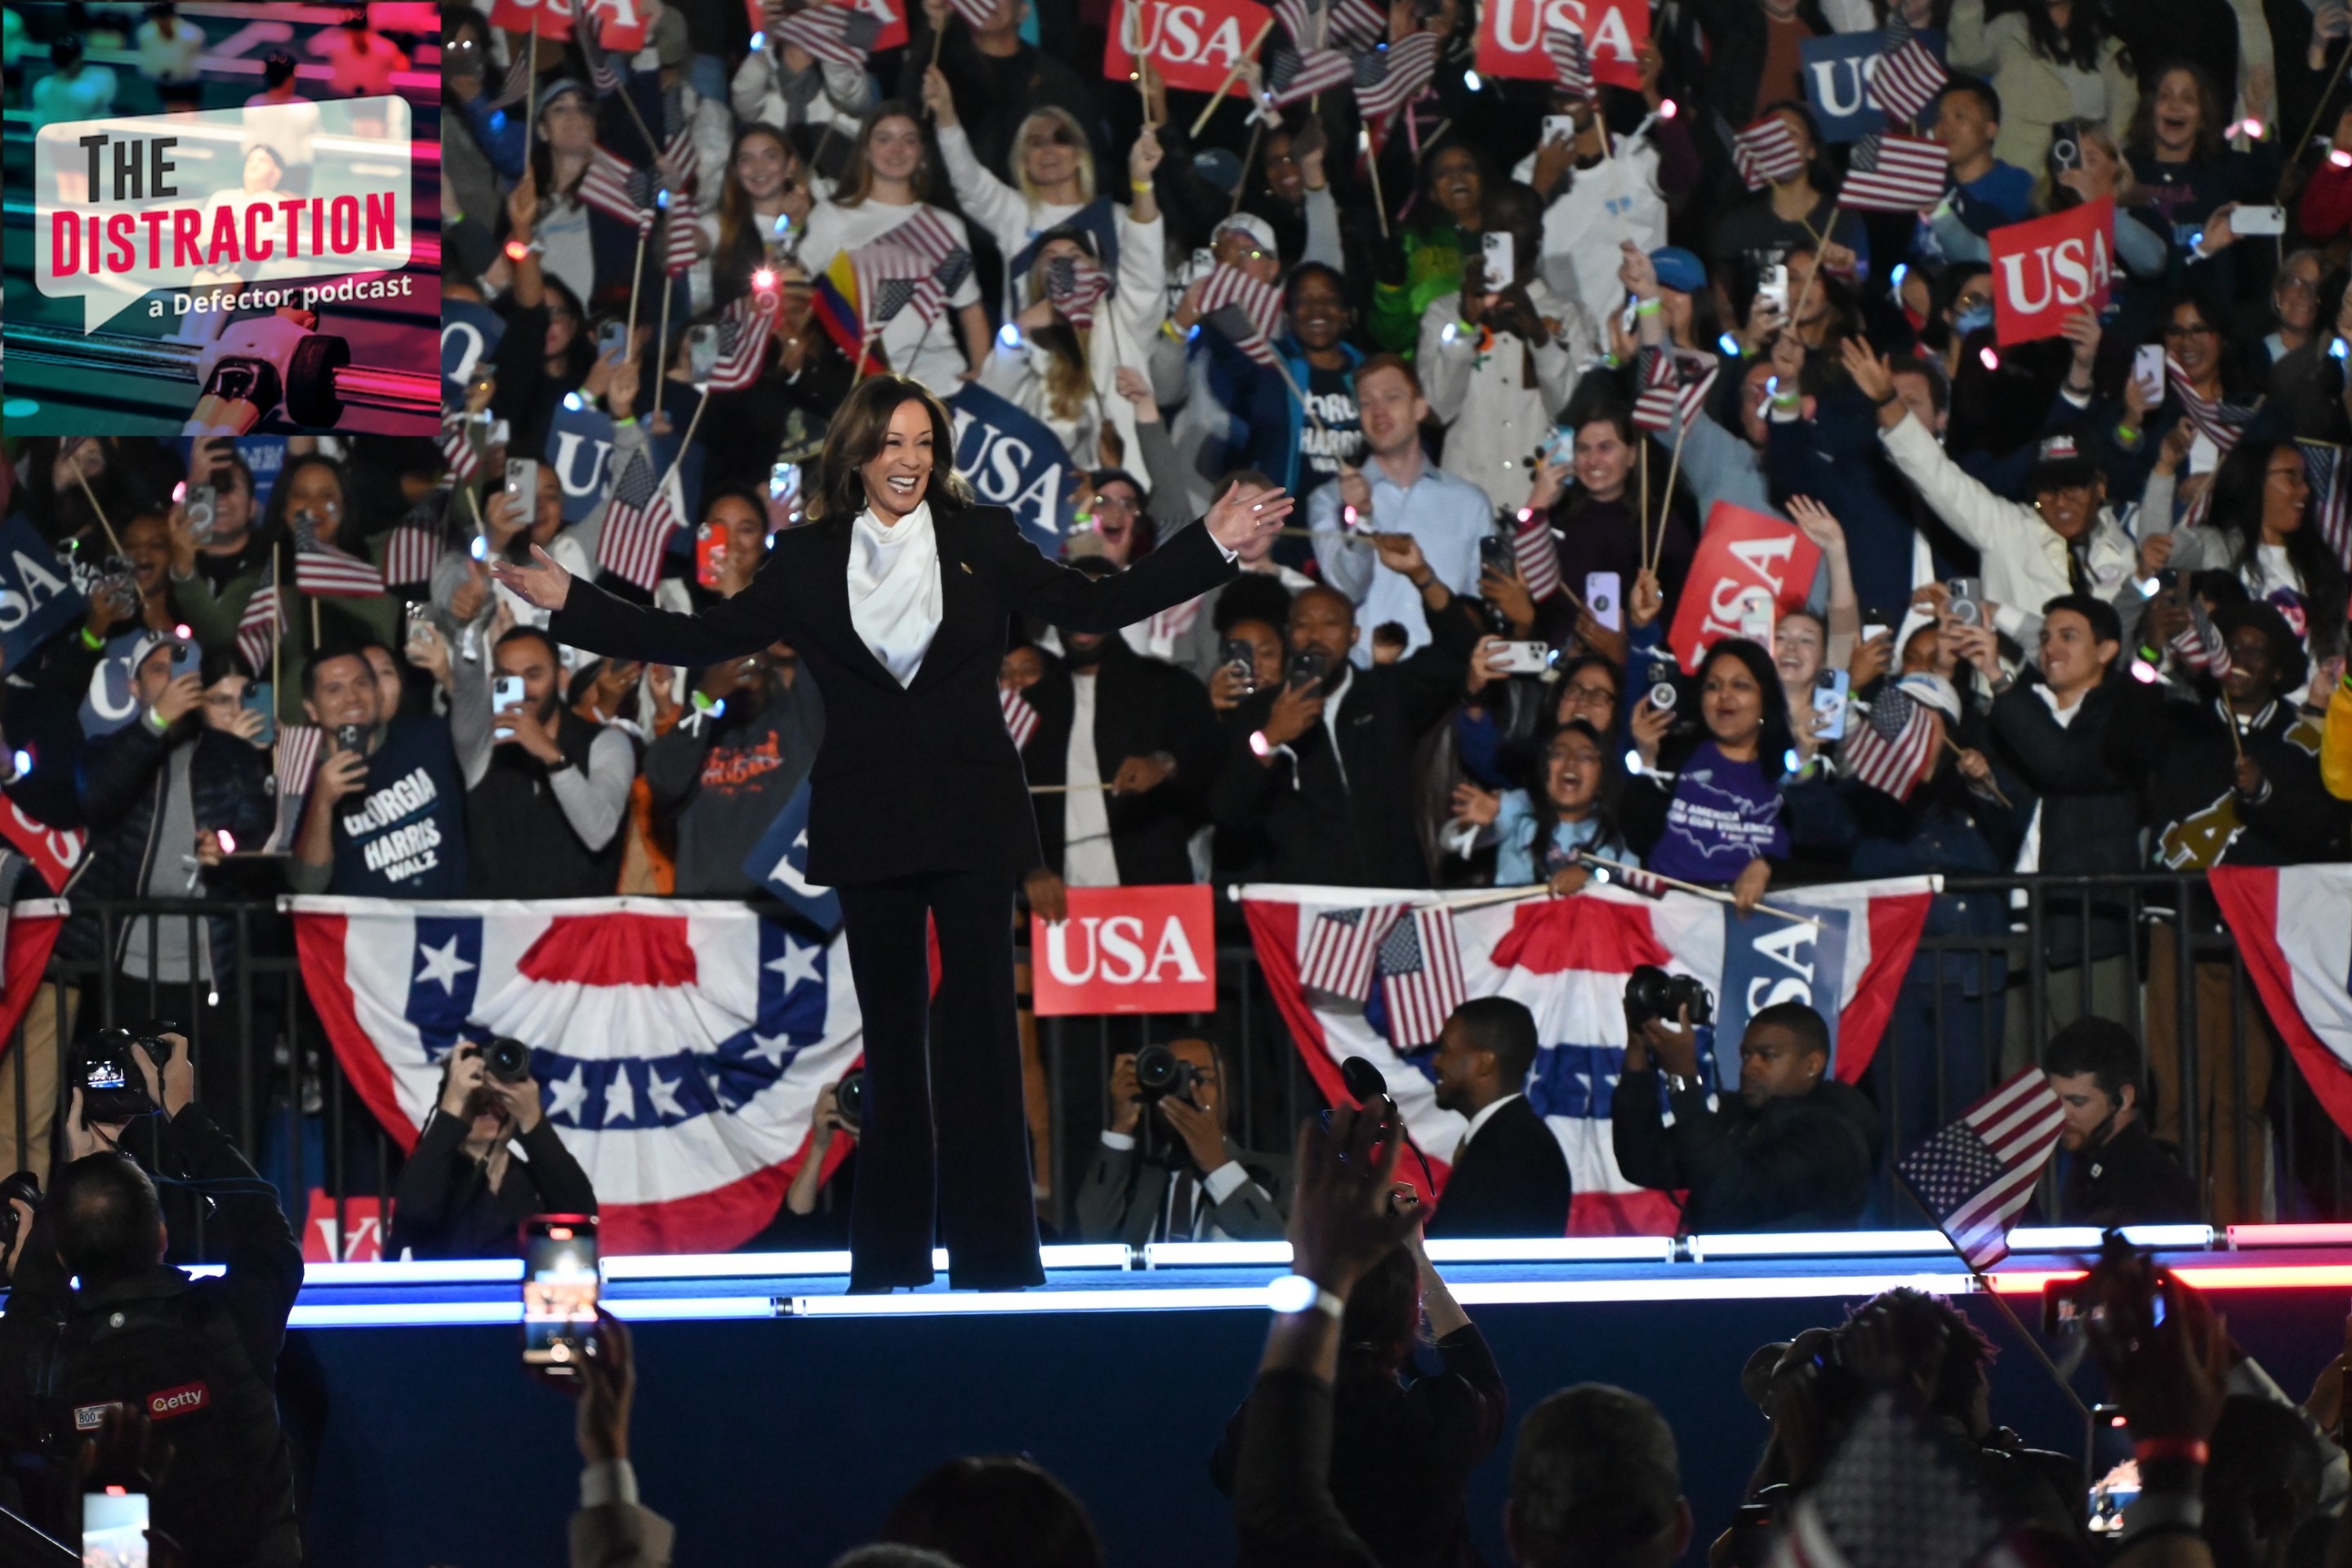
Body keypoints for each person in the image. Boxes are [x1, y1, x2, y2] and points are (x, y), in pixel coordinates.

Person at [492, 374, 1289, 1292]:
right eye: (893, 443)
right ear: (859, 452)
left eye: (923, 444)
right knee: (894, 1046)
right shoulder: (803, 557)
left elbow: (1097, 605)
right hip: (868, 822)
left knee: (983, 1037)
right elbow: (698, 638)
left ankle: (998, 1262)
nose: (909, 460)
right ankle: (890, 1263)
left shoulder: (983, 539)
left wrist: (1213, 544)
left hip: (973, 819)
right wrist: (569, 600)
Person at [18, 1056, 302, 1568]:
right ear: (163, 1236)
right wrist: (183, 1113)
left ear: (61, 1254)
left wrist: (75, 1180)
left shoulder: (43, 1362)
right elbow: (265, 1227)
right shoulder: (229, 1319)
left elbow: (30, 1308)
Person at [1210, 1207, 1505, 1568]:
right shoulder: (1442, 1416)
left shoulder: (1276, 1424)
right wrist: (1419, 1263)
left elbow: (1225, 1472)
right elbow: (1484, 1380)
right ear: (1413, 1319)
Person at [1209, 575, 1481, 888]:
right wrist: (1270, 739)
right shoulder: (1257, 714)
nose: (1315, 635)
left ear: (1353, 635)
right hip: (1312, 910)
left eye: (1330, 623)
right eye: (1302, 624)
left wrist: (1422, 575)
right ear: (1289, 636)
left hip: (1396, 899)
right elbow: (1228, 813)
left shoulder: (1387, 694)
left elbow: (1462, 651)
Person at [1017, 579, 1223, 891]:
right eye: (1071, 605)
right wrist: (1030, 869)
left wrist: (1166, 764)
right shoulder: (1032, 704)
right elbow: (1003, 802)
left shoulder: (1168, 685)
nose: (1083, 616)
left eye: (1095, 603)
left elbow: (1211, 755)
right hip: (1061, 905)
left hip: (1153, 897)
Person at [1611, 1000, 1882, 1233]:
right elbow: (1642, 1161)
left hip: (1792, 1291)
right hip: (1722, 1285)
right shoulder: (1740, 1119)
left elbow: (1731, 1197)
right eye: (1746, 1054)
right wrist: (1638, 1053)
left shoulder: (1831, 1138)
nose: (1749, 1067)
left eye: (1768, 1056)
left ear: (1812, 1064)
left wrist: (1683, 1081)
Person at [1307, 355, 1494, 662]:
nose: (1378, 410)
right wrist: (1362, 517)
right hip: (1366, 679)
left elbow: (1479, 604)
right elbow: (1347, 589)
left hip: (1445, 681)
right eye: (1366, 402)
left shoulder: (1469, 502)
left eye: (1392, 397)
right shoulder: (1329, 499)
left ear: (1420, 407)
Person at [458, 626, 635, 898]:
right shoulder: (480, 748)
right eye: (507, 678)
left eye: (533, 675)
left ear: (561, 678)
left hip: (577, 930)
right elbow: (462, 684)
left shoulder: (606, 743)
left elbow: (599, 833)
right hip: (499, 932)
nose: (521, 691)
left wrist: (552, 756)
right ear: (494, 681)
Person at [390, 1037, 599, 1259]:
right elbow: (415, 1215)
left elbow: (581, 1218)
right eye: (475, 1098)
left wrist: (533, 1123)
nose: (487, 1106)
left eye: (499, 1097)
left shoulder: (536, 1180)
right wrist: (452, 1109)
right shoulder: (431, 1174)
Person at [642, 644, 826, 897]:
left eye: (753, 664)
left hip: (784, 910)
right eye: (729, 668)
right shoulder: (697, 738)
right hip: (709, 916)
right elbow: (664, 782)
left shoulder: (800, 721)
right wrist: (705, 699)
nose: (742, 673)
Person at [288, 646, 470, 898]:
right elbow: (308, 884)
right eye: (334, 689)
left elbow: (484, 734)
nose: (352, 698)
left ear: (377, 692)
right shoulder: (299, 779)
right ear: (311, 709)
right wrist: (321, 799)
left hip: (448, 927)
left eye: (361, 684)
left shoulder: (429, 738)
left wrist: (449, 675)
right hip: (369, 934)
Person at [1076, 1039, 1288, 1245]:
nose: (1188, 1090)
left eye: (1202, 1078)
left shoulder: (1274, 1173)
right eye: (1172, 1079)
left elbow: (1277, 1247)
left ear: (1229, 1091)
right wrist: (1121, 1128)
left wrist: (1218, 1168)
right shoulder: (1131, 1178)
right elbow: (1089, 1235)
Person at [1423, 997, 1572, 1241]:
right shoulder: (1508, 1138)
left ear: (1484, 1063)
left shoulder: (1514, 1148)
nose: (1435, 1061)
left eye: (1445, 1050)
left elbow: (1467, 1255)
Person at [2042, 1015, 2200, 1225]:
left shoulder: (2145, 1186)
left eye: (2077, 1102)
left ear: (2125, 1098)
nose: (2061, 1113)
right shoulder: (2091, 1161)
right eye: (2055, 1100)